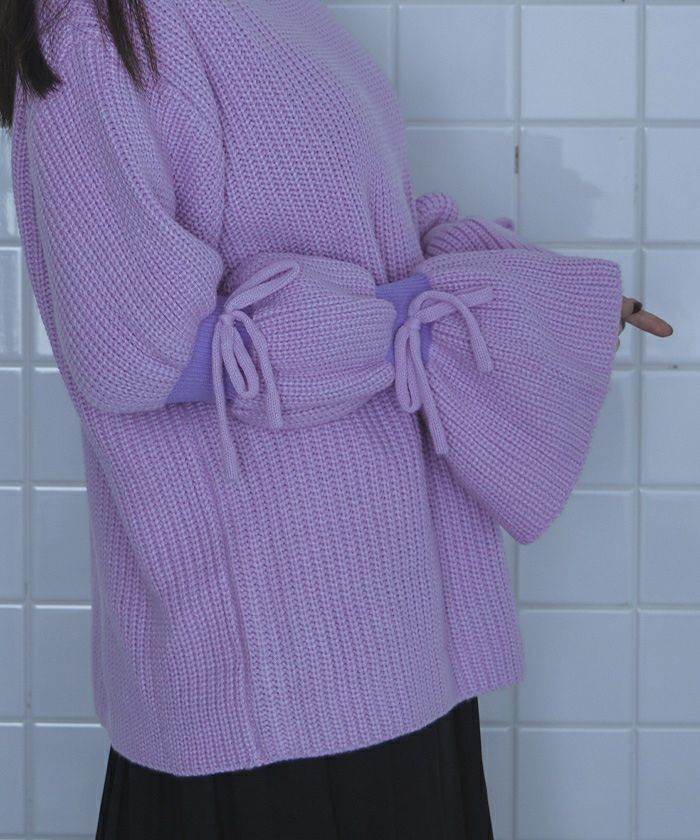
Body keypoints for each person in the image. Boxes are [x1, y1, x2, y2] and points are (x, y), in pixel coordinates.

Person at [2, 0, 673, 836]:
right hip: (274, 666)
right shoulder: (97, 37)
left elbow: (376, 237)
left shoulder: (274, 12)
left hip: (392, 618)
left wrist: (533, 301)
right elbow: (131, 349)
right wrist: (395, 322)